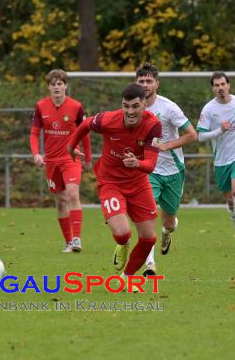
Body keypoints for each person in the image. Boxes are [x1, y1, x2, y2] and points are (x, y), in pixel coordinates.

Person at [67, 83, 162, 292]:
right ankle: (122, 244)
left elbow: (151, 165)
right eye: (126, 106)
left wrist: (136, 163)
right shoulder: (108, 119)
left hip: (138, 184)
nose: (130, 111)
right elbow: (84, 125)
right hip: (111, 183)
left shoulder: (153, 125)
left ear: (145, 104)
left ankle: (127, 278)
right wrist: (71, 146)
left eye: (135, 106)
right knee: (122, 233)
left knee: (149, 238)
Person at [135, 63, 198, 276]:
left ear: (156, 84)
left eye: (148, 81)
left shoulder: (168, 108)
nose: (144, 85)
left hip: (172, 170)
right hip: (148, 170)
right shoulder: (133, 107)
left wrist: (166, 145)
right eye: (141, 81)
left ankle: (167, 232)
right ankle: (150, 264)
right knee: (148, 213)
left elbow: (192, 134)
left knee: (169, 220)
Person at [29, 69, 92, 253]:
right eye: (53, 84)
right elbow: (34, 133)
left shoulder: (76, 107)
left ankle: (77, 239)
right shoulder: (41, 106)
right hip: (51, 160)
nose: (56, 87)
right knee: (60, 201)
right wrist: (36, 154)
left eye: (60, 83)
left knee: (73, 195)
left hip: (71, 158)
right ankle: (68, 241)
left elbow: (85, 133)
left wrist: (88, 158)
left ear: (65, 86)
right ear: (48, 87)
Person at [197, 71, 235, 248]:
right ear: (213, 88)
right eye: (216, 85)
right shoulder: (209, 109)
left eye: (223, 84)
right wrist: (219, 130)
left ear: (228, 85)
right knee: (230, 200)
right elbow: (201, 136)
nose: (220, 88)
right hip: (221, 160)